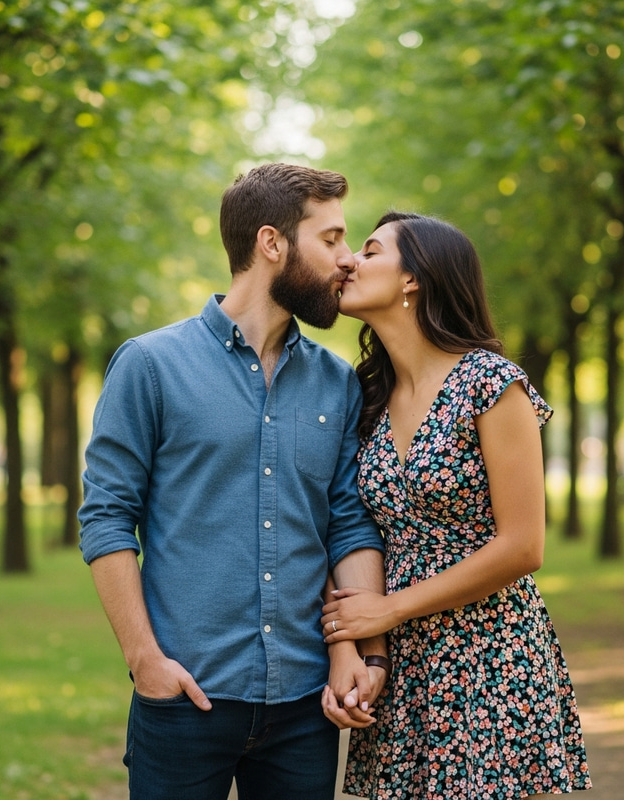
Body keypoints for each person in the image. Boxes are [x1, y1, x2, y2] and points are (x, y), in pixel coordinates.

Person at [78, 163, 389, 800]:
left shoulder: (337, 382)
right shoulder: (151, 365)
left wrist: (364, 652)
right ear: (272, 244)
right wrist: (145, 661)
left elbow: (348, 523)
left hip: (305, 706)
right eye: (330, 239)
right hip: (184, 697)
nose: (347, 259)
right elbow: (106, 516)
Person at [320, 212, 592, 799]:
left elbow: (524, 546)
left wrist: (391, 609)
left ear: (413, 279)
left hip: (488, 650)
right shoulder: (365, 394)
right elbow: (338, 524)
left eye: (369, 252)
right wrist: (358, 645)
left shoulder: (492, 384)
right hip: (402, 663)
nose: (349, 262)